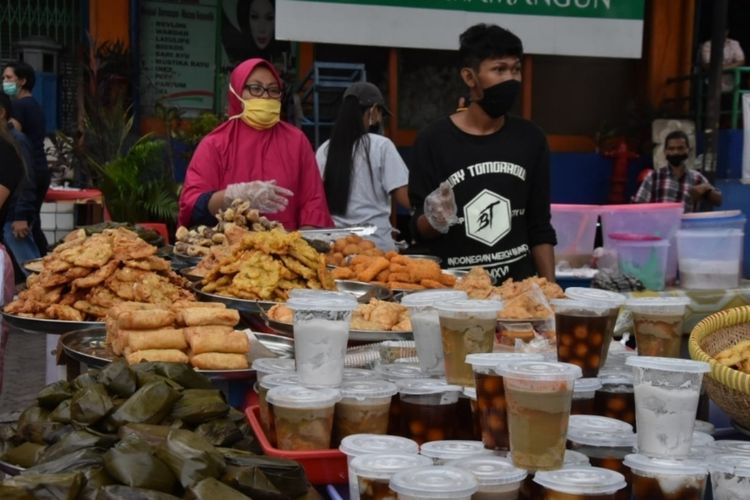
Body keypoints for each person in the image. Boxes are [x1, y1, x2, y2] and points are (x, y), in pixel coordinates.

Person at [408, 23, 557, 283]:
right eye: (499, 69)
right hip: (455, 296)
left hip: (518, 294)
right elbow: (418, 228)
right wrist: (434, 219)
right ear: (469, 77)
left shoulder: (531, 139)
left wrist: (552, 294)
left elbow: (540, 227)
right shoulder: (432, 141)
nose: (510, 79)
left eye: (516, 69)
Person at [179, 58, 333, 230]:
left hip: (285, 248)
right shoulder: (215, 144)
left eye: (273, 90)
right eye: (256, 88)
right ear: (236, 92)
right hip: (228, 249)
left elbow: (313, 203)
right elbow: (192, 206)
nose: (266, 96)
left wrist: (303, 246)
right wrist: (232, 196)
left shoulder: (297, 141)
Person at [316, 82, 409, 251]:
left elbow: (315, 199)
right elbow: (406, 198)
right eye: (381, 113)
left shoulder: (325, 149)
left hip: (337, 249)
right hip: (376, 248)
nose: (380, 120)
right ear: (373, 110)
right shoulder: (382, 146)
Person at [2, 61, 50, 255]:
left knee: (18, 225)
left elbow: (14, 144)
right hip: (37, 171)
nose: (4, 81)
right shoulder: (34, 104)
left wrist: (20, 214)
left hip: (26, 175)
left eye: (8, 78)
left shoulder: (18, 107)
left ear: (22, 81)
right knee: (32, 224)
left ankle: (36, 272)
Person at [0, 92, 41, 276]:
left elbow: (27, 180)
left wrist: (21, 214)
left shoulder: (11, 146)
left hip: (13, 215)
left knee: (31, 267)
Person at [632, 130, 722, 213]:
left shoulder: (697, 178)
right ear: (665, 152)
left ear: (688, 150)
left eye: (680, 148)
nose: (676, 152)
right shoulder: (654, 177)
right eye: (671, 149)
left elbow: (718, 201)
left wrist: (707, 189)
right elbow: (638, 206)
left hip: (687, 229)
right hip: (660, 229)